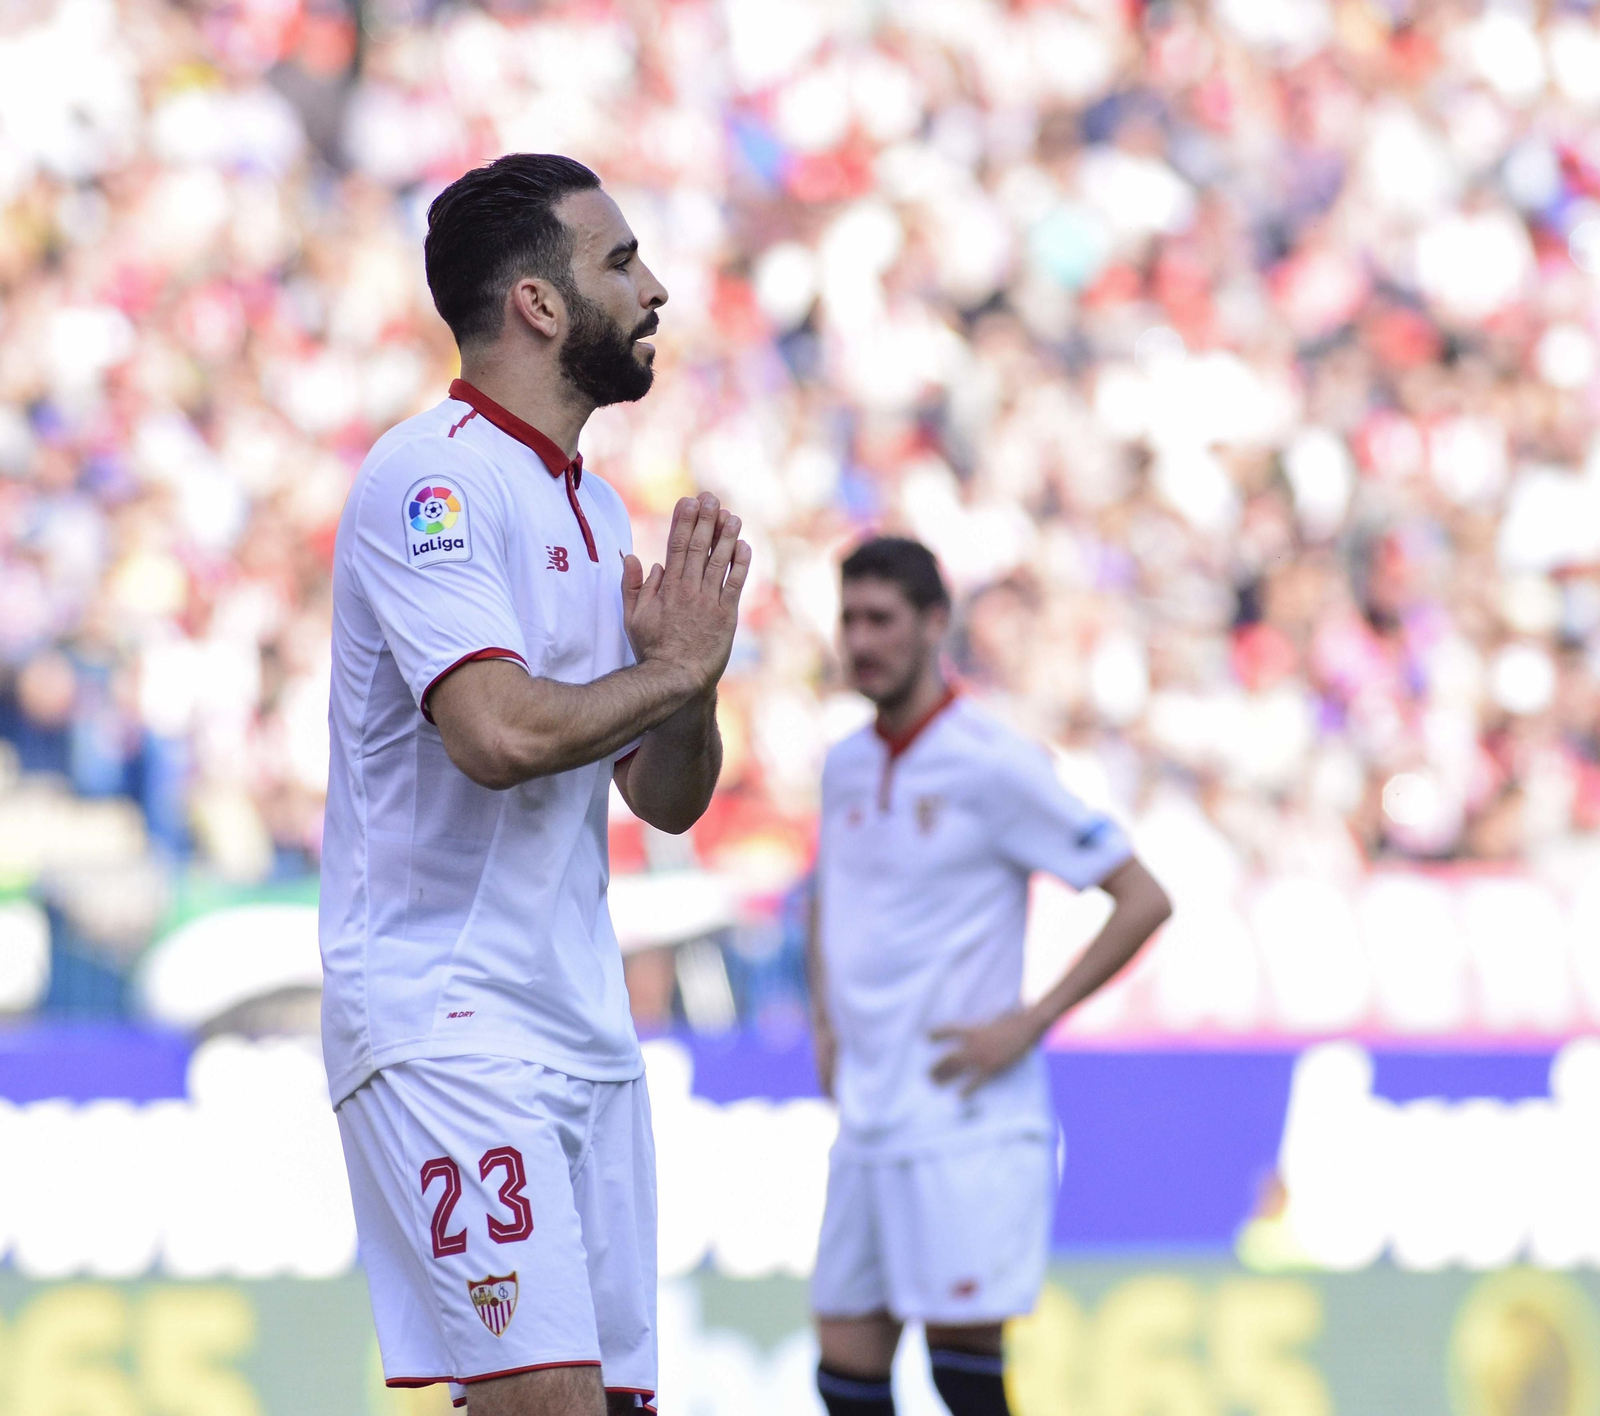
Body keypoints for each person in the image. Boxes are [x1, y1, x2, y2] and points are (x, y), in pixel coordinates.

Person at [319, 153, 751, 1416]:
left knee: (598, 1407)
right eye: (621, 261)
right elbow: (495, 735)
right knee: (544, 1401)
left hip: (582, 1025)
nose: (653, 288)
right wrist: (665, 669)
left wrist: (690, 685)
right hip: (448, 1016)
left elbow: (665, 798)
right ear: (539, 304)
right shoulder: (430, 480)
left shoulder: (596, 511)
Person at [807, 538, 1172, 1416]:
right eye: (850, 620)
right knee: (845, 1369)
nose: (862, 641)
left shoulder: (994, 761)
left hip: (964, 1118)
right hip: (869, 1111)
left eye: (882, 619)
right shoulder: (844, 764)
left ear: (935, 623)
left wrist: (1031, 1020)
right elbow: (830, 897)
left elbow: (1141, 898)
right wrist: (824, 1021)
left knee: (961, 1373)